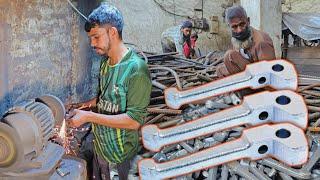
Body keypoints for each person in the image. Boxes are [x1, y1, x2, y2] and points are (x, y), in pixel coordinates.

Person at [67, 3, 152, 180]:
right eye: (91, 38)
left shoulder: (136, 69)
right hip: (101, 151)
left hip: (121, 158)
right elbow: (106, 99)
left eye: (96, 37)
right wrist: (84, 106)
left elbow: (133, 121)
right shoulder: (105, 64)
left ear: (112, 32)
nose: (92, 43)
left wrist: (88, 117)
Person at [217, 5, 276, 77]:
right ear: (229, 26)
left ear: (248, 21)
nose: (239, 30)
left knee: (229, 55)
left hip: (260, 79)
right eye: (234, 27)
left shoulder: (261, 42)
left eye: (242, 24)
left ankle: (242, 86)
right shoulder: (236, 39)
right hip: (248, 72)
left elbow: (269, 74)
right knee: (220, 70)